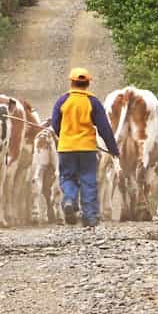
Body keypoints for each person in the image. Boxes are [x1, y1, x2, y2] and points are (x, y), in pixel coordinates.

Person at [51, 67, 120, 227]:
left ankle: (69, 199)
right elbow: (104, 128)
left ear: (71, 82)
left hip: (66, 148)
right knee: (88, 180)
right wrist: (113, 148)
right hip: (87, 148)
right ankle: (89, 217)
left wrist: (64, 137)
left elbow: (55, 124)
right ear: (88, 83)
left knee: (68, 177)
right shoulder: (93, 101)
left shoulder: (62, 101)